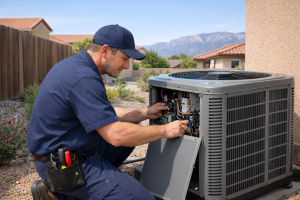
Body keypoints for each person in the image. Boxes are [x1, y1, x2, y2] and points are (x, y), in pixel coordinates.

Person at [28, 24, 188, 200]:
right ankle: (63, 191)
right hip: (64, 166)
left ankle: (68, 191)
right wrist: (165, 130)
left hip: (63, 153)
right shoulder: (84, 78)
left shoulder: (76, 66)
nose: (127, 66)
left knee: (132, 125)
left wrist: (145, 113)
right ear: (105, 51)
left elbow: (104, 112)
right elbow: (116, 136)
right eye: (124, 58)